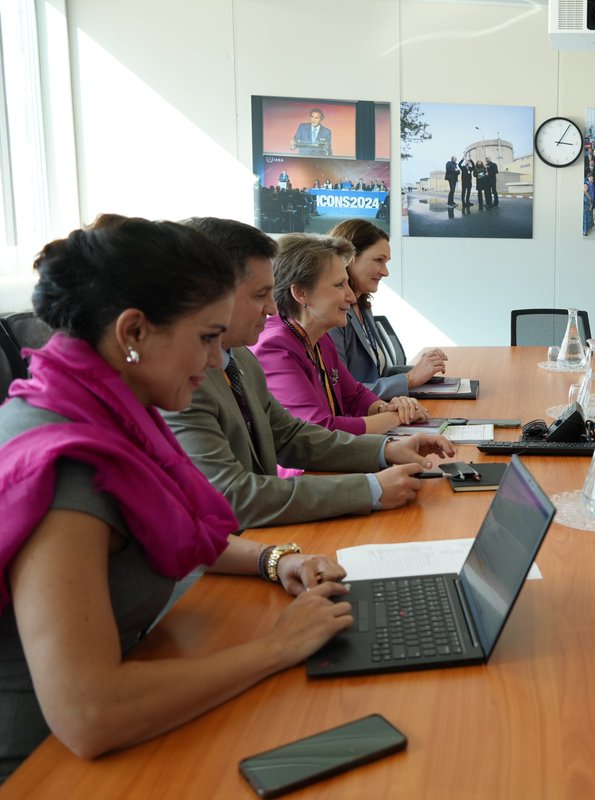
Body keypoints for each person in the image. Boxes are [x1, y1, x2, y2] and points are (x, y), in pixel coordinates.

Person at [0, 215, 353, 779]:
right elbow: (91, 713)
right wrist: (277, 648)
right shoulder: (64, 465)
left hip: (130, 703)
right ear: (134, 332)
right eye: (207, 338)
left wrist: (271, 558)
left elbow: (164, 526)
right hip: (45, 765)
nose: (217, 361)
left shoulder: (104, 408)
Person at [163, 218, 454, 529]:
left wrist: (387, 450)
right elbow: (233, 496)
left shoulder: (241, 359)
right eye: (260, 295)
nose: (273, 309)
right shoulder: (182, 380)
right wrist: (370, 487)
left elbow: (291, 436)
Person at [249, 234, 423, 434]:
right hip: (308, 464)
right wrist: (397, 416)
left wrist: (385, 407)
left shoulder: (319, 336)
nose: (350, 296)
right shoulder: (273, 347)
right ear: (301, 293)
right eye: (340, 285)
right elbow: (320, 430)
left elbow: (354, 395)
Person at [325, 219, 447, 399]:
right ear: (348, 259)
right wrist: (409, 379)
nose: (385, 271)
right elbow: (342, 392)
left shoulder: (362, 306)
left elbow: (377, 372)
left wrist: (423, 368)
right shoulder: (331, 316)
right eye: (378, 260)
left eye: (386, 262)